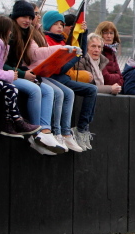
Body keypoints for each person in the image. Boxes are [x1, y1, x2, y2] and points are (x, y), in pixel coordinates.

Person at [5, 0, 70, 155]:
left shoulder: (27, 34)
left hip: (20, 73)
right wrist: (23, 74)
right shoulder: (10, 34)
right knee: (35, 90)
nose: (28, 20)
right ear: (15, 16)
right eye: (24, 17)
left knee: (48, 90)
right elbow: (1, 64)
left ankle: (45, 131)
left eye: (30, 17)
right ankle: (36, 133)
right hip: (7, 75)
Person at [39, 11, 98, 151]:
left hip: (62, 78)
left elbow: (80, 52)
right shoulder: (47, 41)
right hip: (54, 78)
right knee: (67, 93)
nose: (60, 27)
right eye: (56, 24)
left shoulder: (61, 40)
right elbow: (58, 68)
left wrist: (83, 33)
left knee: (92, 90)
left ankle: (81, 129)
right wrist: (74, 57)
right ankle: (61, 132)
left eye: (61, 24)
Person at [94, 21, 124, 85]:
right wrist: (117, 77)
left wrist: (117, 83)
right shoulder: (97, 52)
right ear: (100, 34)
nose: (109, 36)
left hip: (115, 88)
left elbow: (121, 78)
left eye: (111, 33)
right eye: (105, 33)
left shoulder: (112, 52)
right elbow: (106, 78)